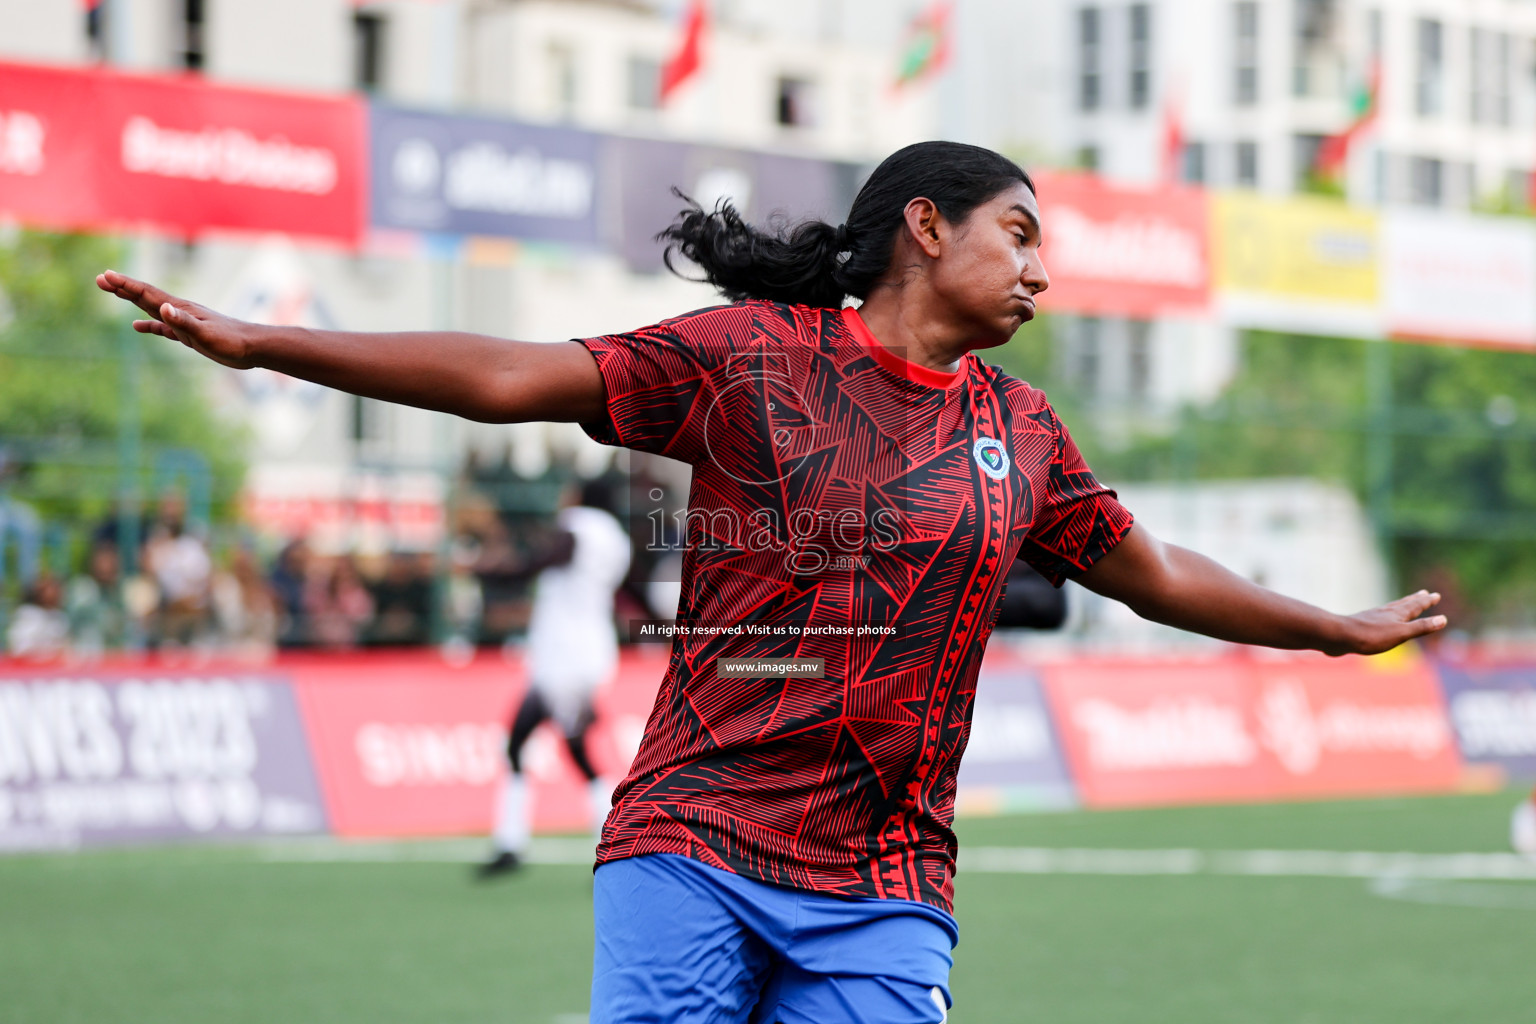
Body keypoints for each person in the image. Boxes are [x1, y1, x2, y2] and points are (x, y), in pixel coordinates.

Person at [96, 140, 1446, 1024]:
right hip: (692, 840)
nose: (1042, 269)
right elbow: (513, 375)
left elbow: (1152, 574)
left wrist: (1331, 629)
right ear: (926, 225)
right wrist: (272, 342)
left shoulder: (1025, 431)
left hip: (888, 884)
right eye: (1020, 232)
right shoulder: (745, 358)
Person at [479, 477, 632, 877]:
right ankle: (517, 841)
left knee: (525, 745)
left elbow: (555, 555)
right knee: (566, 746)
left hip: (562, 654)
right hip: (593, 650)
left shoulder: (578, 525)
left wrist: (501, 574)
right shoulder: (617, 539)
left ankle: (515, 842)